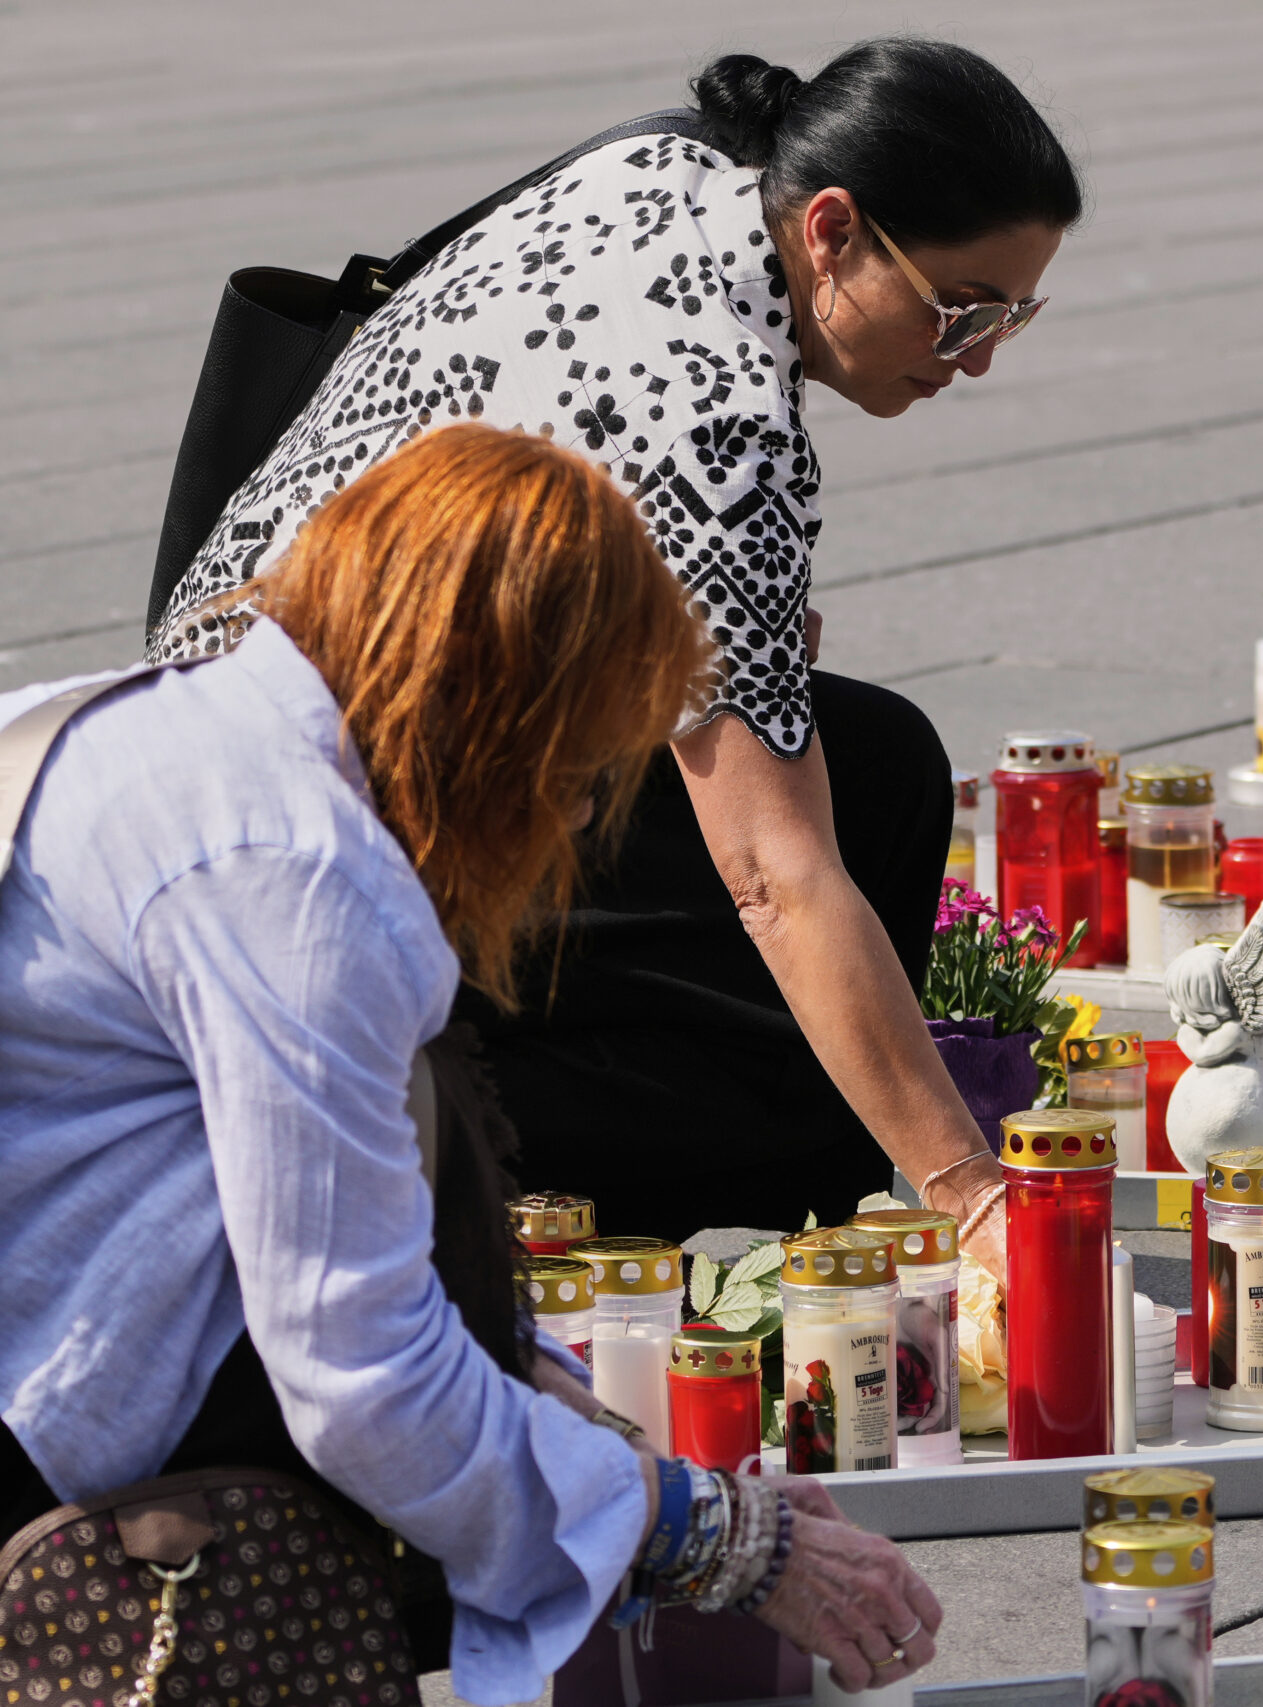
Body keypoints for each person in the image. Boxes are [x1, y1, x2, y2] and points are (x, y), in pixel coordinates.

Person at [1, 428, 942, 1704]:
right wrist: (717, 1540)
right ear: (499, 719)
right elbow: (363, 1381)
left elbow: (326, 1230)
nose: (569, 821)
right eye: (582, 768)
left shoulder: (171, 733)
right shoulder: (298, 873)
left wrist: (586, 1435)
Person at [144, 39, 1085, 1259]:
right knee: (804, 939)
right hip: (303, 829)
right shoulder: (717, 418)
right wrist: (965, 1189)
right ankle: (416, 1138)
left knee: (873, 767)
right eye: (960, 310)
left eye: (1015, 313)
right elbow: (774, 876)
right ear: (835, 230)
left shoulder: (677, 166)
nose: (984, 354)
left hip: (227, 698)